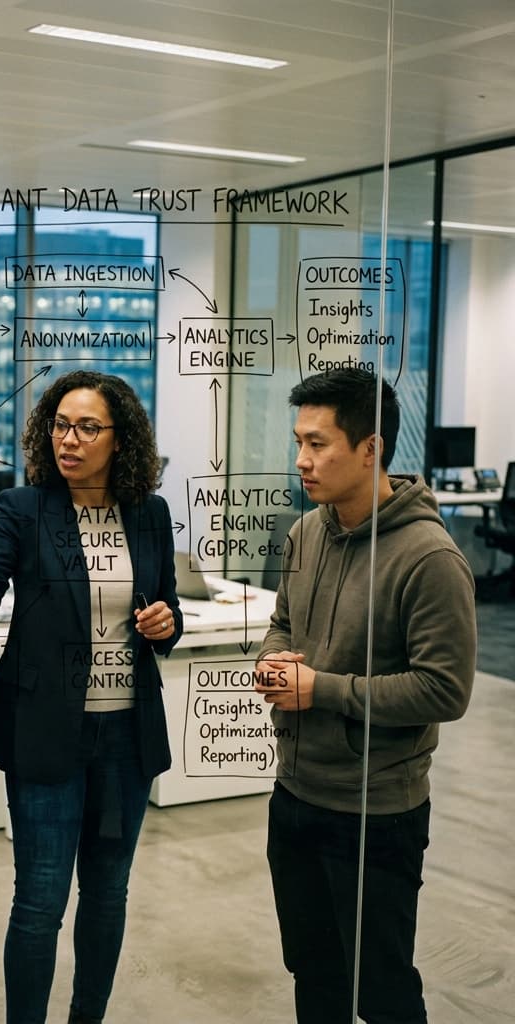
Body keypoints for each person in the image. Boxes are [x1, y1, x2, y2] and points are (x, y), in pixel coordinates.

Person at [0, 369, 182, 1024]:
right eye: (60, 425)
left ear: (122, 439)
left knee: (108, 895)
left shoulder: (149, 513)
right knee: (39, 902)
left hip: (125, 741)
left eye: (88, 427)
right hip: (47, 735)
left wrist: (167, 625)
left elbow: (165, 611)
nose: (71, 439)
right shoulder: (24, 509)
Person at [253, 368, 476, 1024]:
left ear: (372, 448)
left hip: (377, 812)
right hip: (295, 797)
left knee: (380, 988)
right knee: (313, 975)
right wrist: (272, 663)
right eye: (299, 442)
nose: (302, 460)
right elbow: (282, 625)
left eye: (318, 444)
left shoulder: (429, 558)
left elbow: (445, 688)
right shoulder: (304, 536)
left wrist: (320, 688)